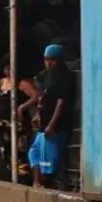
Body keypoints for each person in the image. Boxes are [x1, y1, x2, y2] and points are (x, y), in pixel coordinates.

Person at [33, 43, 77, 189]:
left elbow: (61, 103)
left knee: (51, 160)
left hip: (58, 126)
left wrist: (52, 125)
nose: (49, 63)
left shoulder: (65, 78)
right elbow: (42, 97)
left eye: (52, 60)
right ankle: (37, 183)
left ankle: (51, 186)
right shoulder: (46, 76)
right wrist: (37, 114)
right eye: (46, 59)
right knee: (35, 153)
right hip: (44, 123)